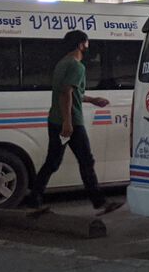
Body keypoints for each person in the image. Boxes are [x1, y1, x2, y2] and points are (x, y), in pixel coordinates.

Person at [23, 30, 123, 215]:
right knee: (86, 160)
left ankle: (34, 200)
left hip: (55, 120)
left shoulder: (62, 64)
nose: (88, 44)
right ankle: (99, 202)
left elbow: (72, 93)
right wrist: (68, 123)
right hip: (72, 123)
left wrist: (93, 100)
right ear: (80, 44)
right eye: (86, 41)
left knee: (52, 162)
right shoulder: (77, 67)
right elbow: (66, 94)